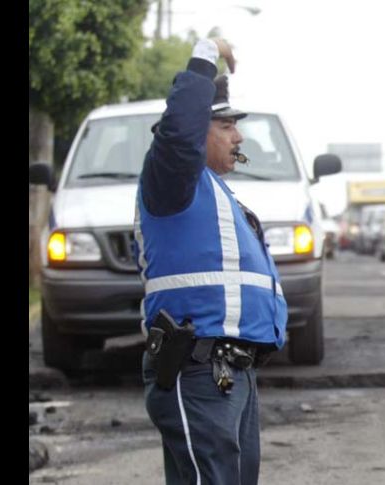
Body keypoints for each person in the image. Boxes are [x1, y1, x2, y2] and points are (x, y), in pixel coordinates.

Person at [134, 37, 288, 484]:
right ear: (197, 128)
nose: (238, 136)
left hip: (229, 371)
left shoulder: (216, 193)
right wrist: (206, 51)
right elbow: (179, 133)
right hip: (197, 368)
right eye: (226, 126)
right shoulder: (171, 180)